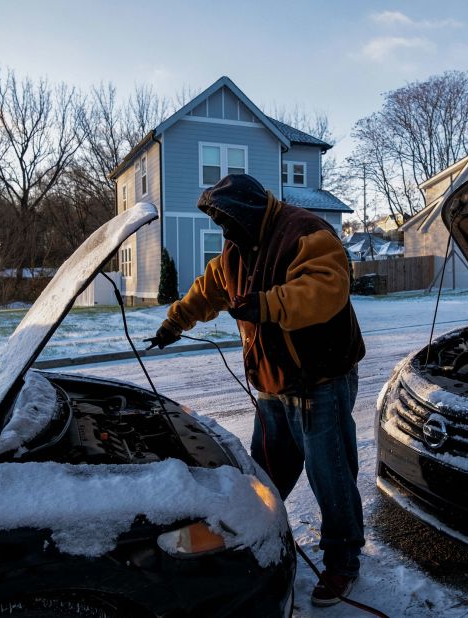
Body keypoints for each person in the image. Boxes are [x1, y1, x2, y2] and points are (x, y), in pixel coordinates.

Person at [147, 173, 366, 607]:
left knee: (331, 474)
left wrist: (267, 305)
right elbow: (208, 290)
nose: (225, 233)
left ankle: (343, 559)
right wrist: (174, 322)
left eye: (229, 223)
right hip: (271, 380)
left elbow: (327, 289)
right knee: (265, 470)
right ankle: (256, 534)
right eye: (221, 226)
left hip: (318, 379)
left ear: (248, 212)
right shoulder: (235, 249)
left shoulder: (305, 232)